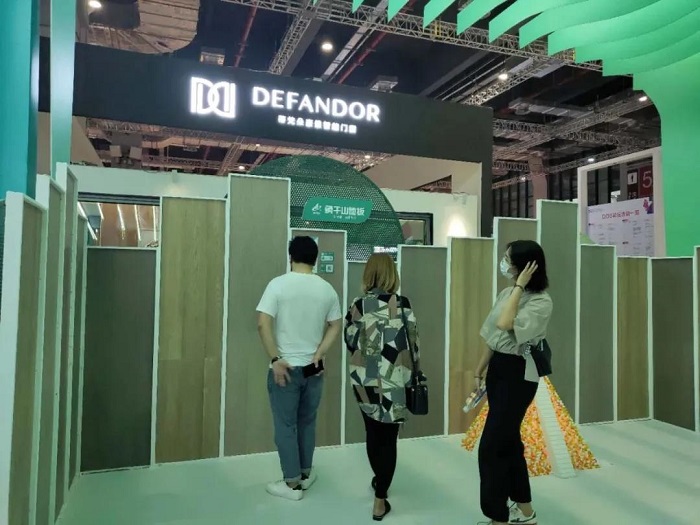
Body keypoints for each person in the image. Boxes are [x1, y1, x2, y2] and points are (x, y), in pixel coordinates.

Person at [256, 236, 342, 501]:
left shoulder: (278, 285)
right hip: (313, 369)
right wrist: (320, 352)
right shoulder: (326, 289)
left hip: (286, 368)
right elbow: (335, 325)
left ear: (290, 256)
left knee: (285, 426)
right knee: (307, 423)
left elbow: (262, 323)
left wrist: (275, 359)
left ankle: (292, 484)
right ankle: (305, 473)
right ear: (315, 259)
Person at [474, 240, 553, 525]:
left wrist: (520, 286)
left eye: (508, 259)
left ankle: (498, 517)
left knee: (492, 447)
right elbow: (493, 336)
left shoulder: (541, 302)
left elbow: (506, 324)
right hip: (498, 368)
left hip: (519, 374)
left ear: (526, 267)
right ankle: (526, 511)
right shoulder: (506, 292)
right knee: (508, 442)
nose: (504, 263)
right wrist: (479, 369)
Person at [344, 253, 421, 521]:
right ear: (392, 274)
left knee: (372, 433)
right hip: (394, 378)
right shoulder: (402, 304)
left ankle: (379, 480)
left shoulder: (359, 305)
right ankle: (380, 499)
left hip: (365, 379)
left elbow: (350, 340)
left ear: (369, 275)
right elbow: (414, 345)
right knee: (389, 439)